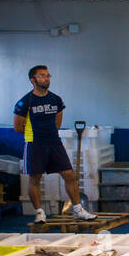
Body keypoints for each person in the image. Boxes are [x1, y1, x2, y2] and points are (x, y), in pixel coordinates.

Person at [14, 64, 96, 222]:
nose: (46, 78)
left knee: (69, 175)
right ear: (33, 80)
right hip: (35, 143)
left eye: (47, 75)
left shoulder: (56, 99)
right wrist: (36, 134)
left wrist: (49, 135)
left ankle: (78, 209)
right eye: (42, 76)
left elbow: (57, 123)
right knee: (35, 178)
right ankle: (39, 213)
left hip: (54, 143)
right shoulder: (25, 102)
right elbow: (18, 127)